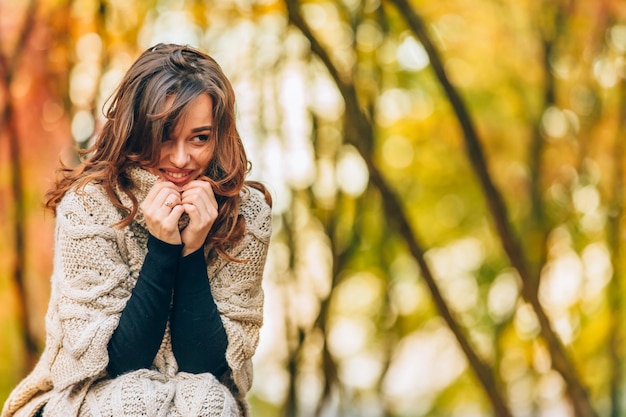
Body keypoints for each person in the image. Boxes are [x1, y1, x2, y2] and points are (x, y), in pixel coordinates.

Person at [1, 43, 272, 417]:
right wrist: (163, 248)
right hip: (86, 395)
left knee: (211, 403)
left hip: (196, 395)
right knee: (136, 404)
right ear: (136, 129)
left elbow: (209, 366)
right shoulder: (89, 205)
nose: (181, 159)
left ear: (219, 135)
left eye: (199, 138)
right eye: (164, 135)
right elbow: (116, 363)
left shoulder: (248, 214)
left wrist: (192, 250)